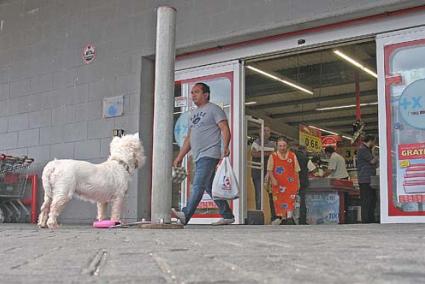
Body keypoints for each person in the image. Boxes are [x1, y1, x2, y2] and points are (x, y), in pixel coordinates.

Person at [172, 82, 235, 226]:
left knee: (198, 185)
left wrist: (225, 146)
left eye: (196, 92)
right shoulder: (192, 114)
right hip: (198, 155)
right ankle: (227, 215)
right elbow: (189, 138)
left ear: (205, 95)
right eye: (192, 92)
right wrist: (179, 157)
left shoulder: (214, 109)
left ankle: (185, 215)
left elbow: (224, 128)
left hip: (210, 153)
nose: (193, 95)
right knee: (209, 186)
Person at [267, 137, 300, 225]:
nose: (282, 148)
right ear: (277, 146)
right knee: (279, 200)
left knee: (290, 200)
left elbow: (296, 170)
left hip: (291, 182)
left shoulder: (292, 156)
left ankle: (289, 217)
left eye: (284, 145)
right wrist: (272, 179)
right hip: (278, 182)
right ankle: (284, 218)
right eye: (280, 146)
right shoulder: (273, 156)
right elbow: (269, 169)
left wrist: (298, 182)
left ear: (287, 146)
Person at [251, 126, 276, 215]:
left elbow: (275, 155)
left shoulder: (273, 143)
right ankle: (259, 215)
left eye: (267, 131)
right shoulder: (256, 142)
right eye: (264, 130)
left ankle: (274, 216)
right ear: (259, 132)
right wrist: (268, 153)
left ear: (270, 133)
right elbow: (254, 154)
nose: (265, 132)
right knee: (259, 194)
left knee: (272, 195)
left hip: (270, 173)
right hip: (257, 172)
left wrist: (261, 152)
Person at [356, 134, 379, 223]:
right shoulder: (363, 149)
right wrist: (377, 156)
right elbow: (372, 161)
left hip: (369, 178)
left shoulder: (366, 150)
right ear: (371, 140)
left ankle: (370, 219)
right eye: (374, 141)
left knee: (371, 200)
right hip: (365, 179)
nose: (374, 143)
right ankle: (366, 220)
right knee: (367, 200)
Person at [293, 145, 309, 225]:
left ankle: (292, 219)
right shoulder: (304, 158)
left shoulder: (292, 156)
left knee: (292, 201)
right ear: (304, 150)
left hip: (293, 181)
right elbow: (313, 169)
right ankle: (302, 220)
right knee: (302, 201)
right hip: (303, 181)